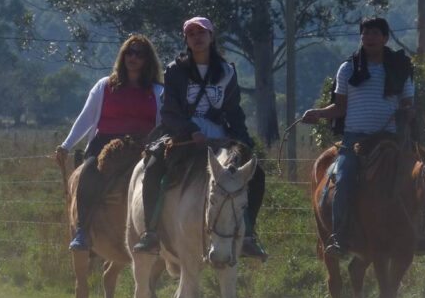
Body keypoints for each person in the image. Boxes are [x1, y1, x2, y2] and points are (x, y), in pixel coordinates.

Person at [132, 16, 267, 261]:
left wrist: (243, 143)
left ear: (211, 36)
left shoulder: (227, 71)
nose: (197, 37)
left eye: (202, 32)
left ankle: (249, 236)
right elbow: (169, 111)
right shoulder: (175, 71)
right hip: (182, 136)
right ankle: (150, 233)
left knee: (257, 175)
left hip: (219, 139)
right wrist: (190, 130)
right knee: (152, 169)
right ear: (186, 39)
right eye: (191, 33)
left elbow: (233, 111)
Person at [301, 16, 415, 259]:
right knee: (342, 180)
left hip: (391, 140)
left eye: (375, 33)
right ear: (360, 37)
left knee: (419, 178)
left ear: (385, 38)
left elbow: (408, 103)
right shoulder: (348, 68)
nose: (370, 38)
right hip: (356, 141)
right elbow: (339, 108)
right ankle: (339, 237)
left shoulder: (401, 67)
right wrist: (317, 113)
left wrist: (406, 112)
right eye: (365, 33)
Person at [56, 34, 163, 251]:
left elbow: (162, 125)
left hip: (142, 146)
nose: (133, 58)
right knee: (88, 173)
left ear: (147, 60)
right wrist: (66, 145)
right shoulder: (104, 86)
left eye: (139, 54)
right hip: (105, 144)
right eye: (129, 53)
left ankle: (155, 232)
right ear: (123, 56)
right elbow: (86, 118)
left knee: (158, 180)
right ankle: (82, 231)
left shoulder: (158, 92)